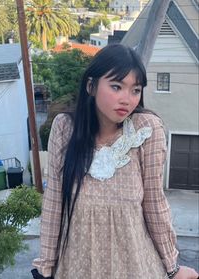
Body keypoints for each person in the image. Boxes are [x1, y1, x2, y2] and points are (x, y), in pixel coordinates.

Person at [32, 44, 199, 279]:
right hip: (77, 268)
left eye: (135, 90)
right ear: (91, 85)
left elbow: (154, 202)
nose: (127, 99)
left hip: (136, 267)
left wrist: (172, 267)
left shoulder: (146, 130)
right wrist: (45, 268)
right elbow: (54, 203)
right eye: (116, 86)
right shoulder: (65, 128)